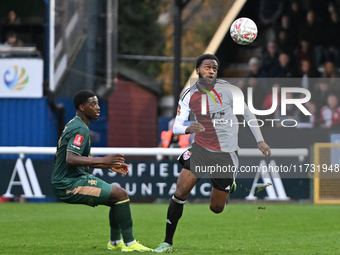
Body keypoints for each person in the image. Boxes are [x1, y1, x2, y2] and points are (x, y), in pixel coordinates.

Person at [153, 54, 271, 253]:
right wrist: (189, 129)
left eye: (214, 68)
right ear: (198, 71)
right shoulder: (189, 94)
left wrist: (259, 139)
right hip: (200, 150)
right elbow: (177, 127)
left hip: (225, 153)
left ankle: (228, 186)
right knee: (180, 193)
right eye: (207, 67)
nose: (211, 71)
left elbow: (248, 114)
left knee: (216, 208)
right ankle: (167, 242)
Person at [52, 90, 152, 252]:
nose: (98, 107)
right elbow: (70, 159)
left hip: (73, 178)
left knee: (116, 197)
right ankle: (129, 243)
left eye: (98, 103)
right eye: (93, 104)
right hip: (68, 183)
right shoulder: (80, 129)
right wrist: (104, 160)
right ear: (82, 108)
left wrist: (108, 166)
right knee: (120, 194)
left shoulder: (76, 124)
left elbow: (78, 160)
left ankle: (115, 242)